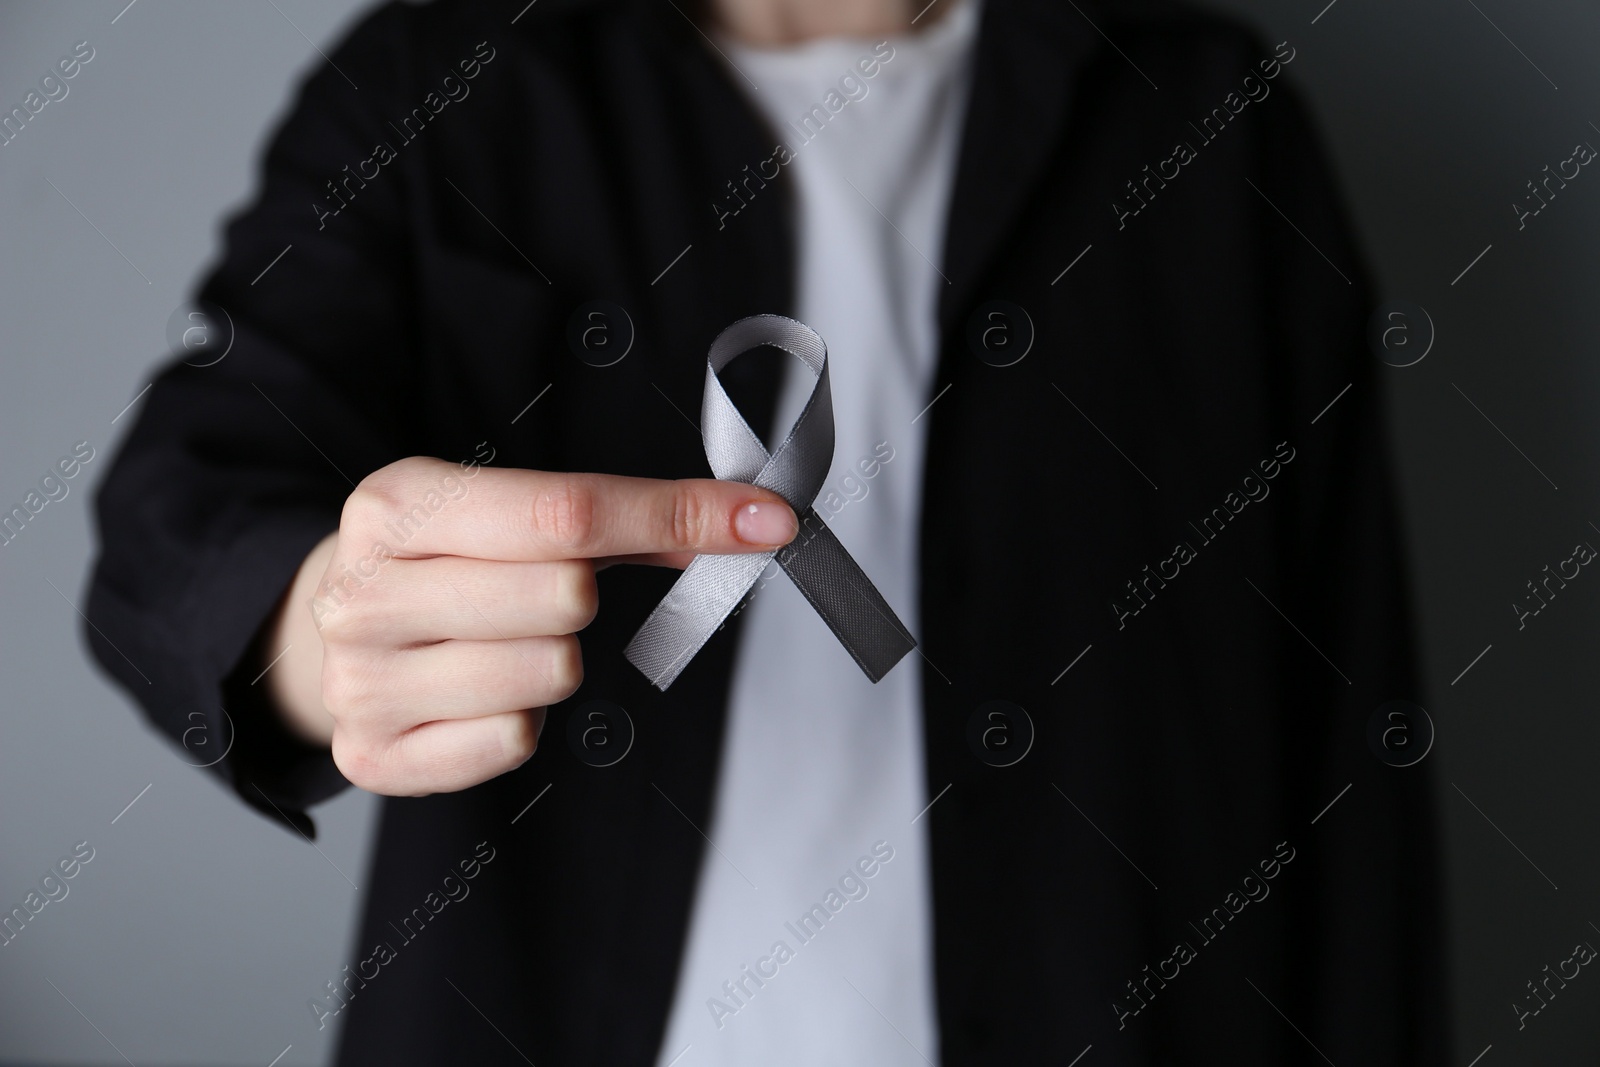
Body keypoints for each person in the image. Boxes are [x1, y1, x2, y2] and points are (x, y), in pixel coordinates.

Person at [84, 0, 1450, 1063]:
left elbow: (1349, 735)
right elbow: (187, 493)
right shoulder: (444, 83)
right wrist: (321, 626)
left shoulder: (1208, 122)